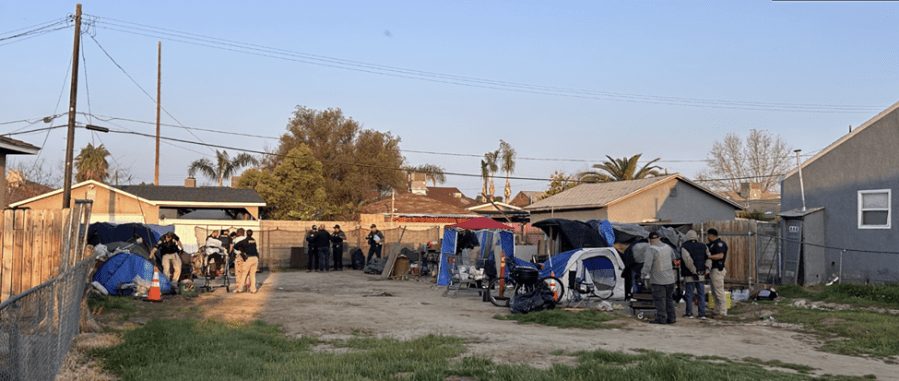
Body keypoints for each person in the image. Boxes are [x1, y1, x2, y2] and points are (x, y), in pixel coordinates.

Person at [642, 232, 677, 324]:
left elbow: (647, 265)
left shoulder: (651, 249)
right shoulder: (668, 247)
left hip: (658, 281)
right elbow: (674, 258)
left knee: (660, 300)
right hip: (670, 280)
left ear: (650, 240)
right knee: (669, 299)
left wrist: (642, 275)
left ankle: (661, 318)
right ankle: (672, 318)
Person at [680, 230, 711, 319]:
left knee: (689, 294)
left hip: (690, 275)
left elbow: (688, 261)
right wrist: (707, 269)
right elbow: (708, 258)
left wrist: (694, 271)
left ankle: (689, 313)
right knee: (701, 294)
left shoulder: (684, 247)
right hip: (701, 275)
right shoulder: (703, 246)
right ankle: (702, 314)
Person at [707, 228, 729, 317]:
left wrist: (709, 257)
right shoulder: (712, 244)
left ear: (710, 235)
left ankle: (723, 312)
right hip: (713, 270)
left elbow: (720, 255)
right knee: (714, 292)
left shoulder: (720, 244)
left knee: (719, 292)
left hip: (717, 270)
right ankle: (716, 310)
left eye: (707, 235)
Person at [233, 229, 259, 293]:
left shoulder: (244, 241)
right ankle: (253, 289)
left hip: (248, 258)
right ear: (252, 234)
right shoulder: (254, 240)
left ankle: (240, 289)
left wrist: (241, 249)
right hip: (255, 258)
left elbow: (235, 246)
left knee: (244, 274)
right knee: (252, 275)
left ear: (246, 234)